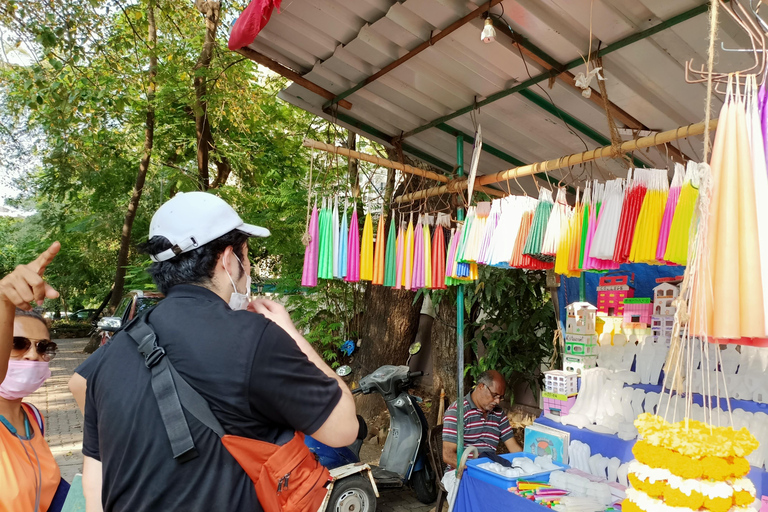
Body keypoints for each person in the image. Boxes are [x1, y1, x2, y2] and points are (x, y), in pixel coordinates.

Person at [79, 192, 358, 512]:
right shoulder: (254, 338)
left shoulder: (110, 354)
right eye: (247, 256)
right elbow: (343, 428)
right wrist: (291, 334)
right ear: (228, 259)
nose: (249, 267)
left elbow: (94, 482)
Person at [0, 243, 68, 512]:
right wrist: (4, 303)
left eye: (43, 347)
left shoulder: (33, 417)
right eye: (17, 343)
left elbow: (45, 490)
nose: (32, 355)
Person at [442, 369, 522, 469]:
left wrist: (525, 464)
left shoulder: (498, 413)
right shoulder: (457, 412)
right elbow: (448, 456)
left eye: (500, 397)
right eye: (494, 395)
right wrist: (477, 471)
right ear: (481, 386)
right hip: (461, 472)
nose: (497, 401)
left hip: (490, 469)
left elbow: (514, 447)